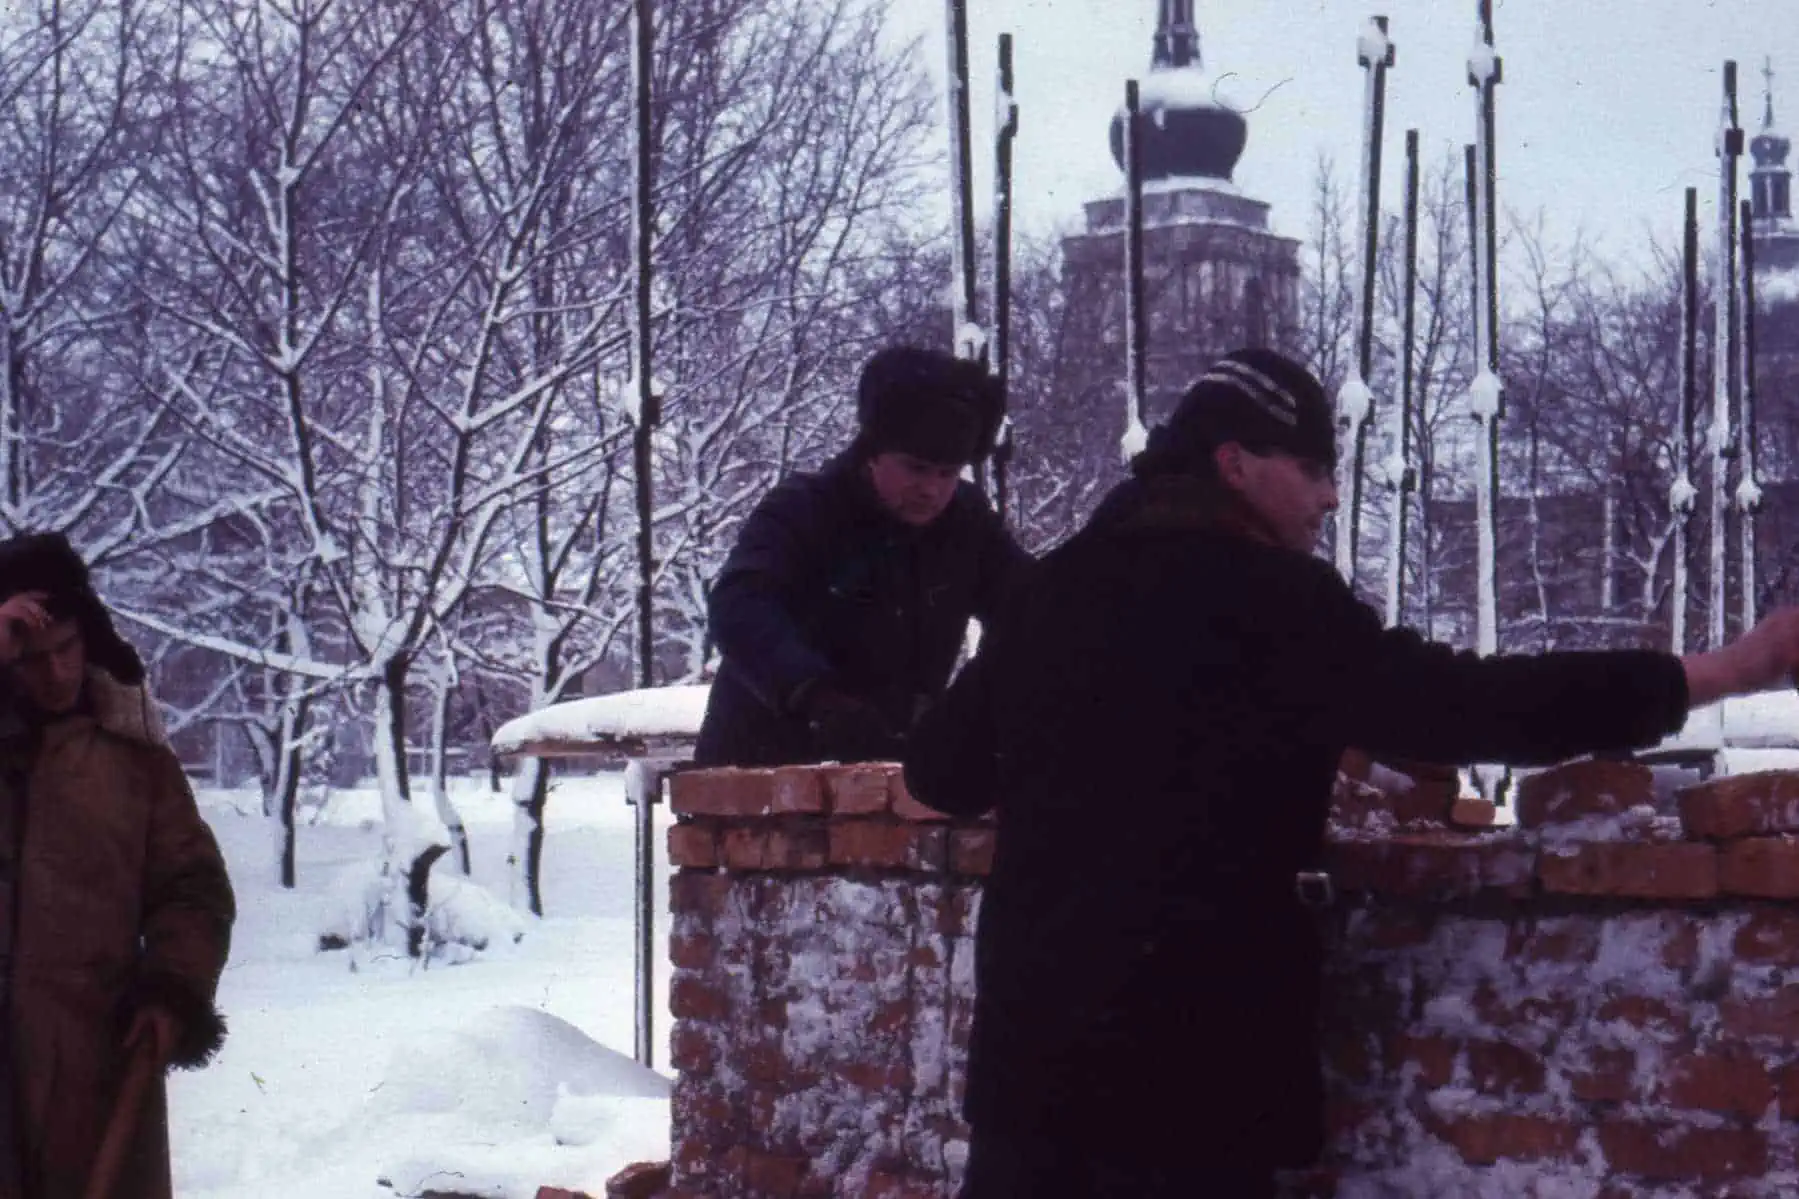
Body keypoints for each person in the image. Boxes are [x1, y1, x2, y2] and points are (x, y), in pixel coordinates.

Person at [902, 347, 1799, 1198]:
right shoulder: (1272, 601)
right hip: (1183, 1081)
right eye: (1315, 470)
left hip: (1029, 1078)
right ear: (1236, 464)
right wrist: (1723, 670)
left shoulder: (1052, 593)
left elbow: (941, 769)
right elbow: (1468, 706)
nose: (1330, 497)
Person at [0, 532, 236, 1199]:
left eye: (66, 649)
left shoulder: (134, 760)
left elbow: (192, 890)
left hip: (89, 1065)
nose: (55, 673)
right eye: (30, 657)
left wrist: (171, 988)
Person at [694, 344, 1031, 768]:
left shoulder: (967, 524)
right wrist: (815, 697)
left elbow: (1031, 608)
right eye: (916, 468)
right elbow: (739, 609)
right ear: (872, 454)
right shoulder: (805, 510)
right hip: (761, 769)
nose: (931, 489)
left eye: (948, 473)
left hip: (891, 770)